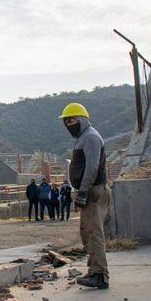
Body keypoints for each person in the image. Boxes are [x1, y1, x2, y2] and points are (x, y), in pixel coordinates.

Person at [60, 102, 110, 289]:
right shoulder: (83, 137)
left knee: (94, 233)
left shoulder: (90, 137)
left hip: (94, 191)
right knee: (87, 232)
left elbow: (92, 167)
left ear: (81, 119)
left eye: (71, 120)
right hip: (90, 191)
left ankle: (99, 275)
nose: (68, 125)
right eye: (66, 122)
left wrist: (82, 192)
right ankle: (94, 270)